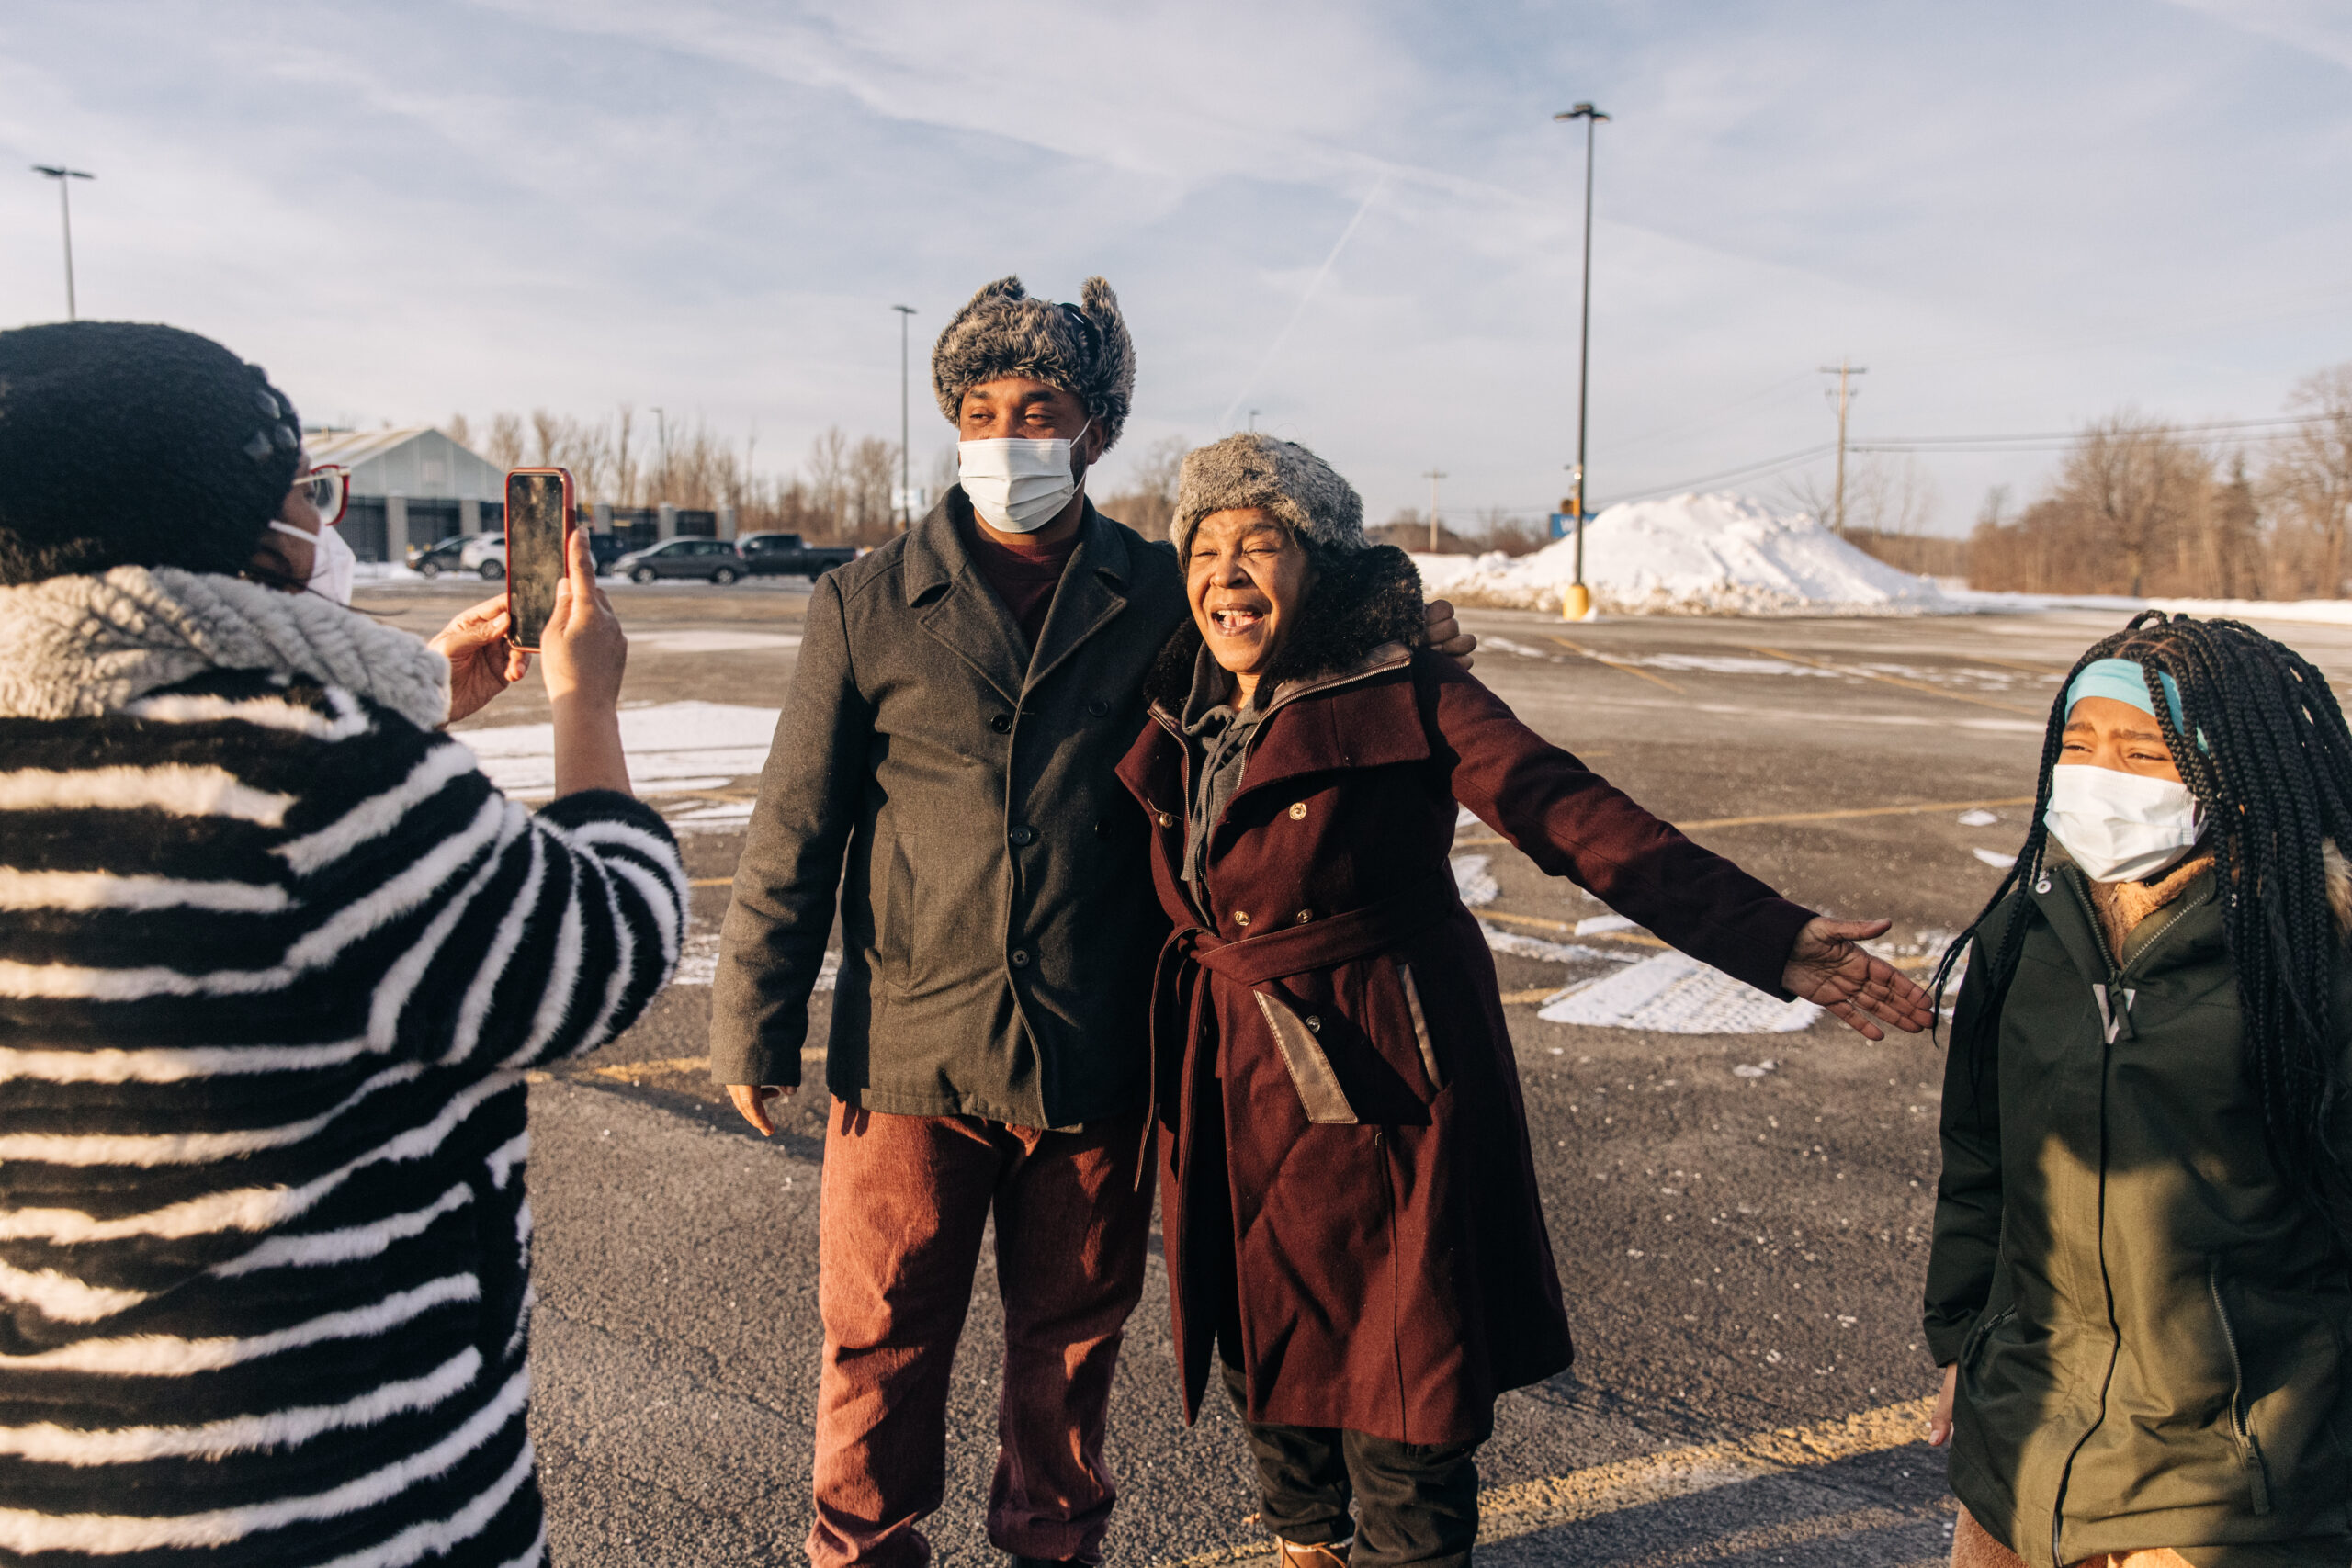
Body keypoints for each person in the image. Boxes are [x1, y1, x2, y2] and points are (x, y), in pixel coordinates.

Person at [710, 277, 1476, 1568]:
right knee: (878, 1336)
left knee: (1068, 1346)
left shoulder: (1161, 590)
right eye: (981, 409)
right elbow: (795, 826)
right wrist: (755, 1022)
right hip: (909, 1049)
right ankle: (865, 1543)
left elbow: (1280, 662)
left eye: (1040, 408)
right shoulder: (865, 600)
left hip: (1096, 1046)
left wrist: (1402, 635)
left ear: (1097, 430)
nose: (1008, 433)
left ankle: (1052, 1545)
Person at [1115, 433, 1933, 1568]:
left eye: (1260, 543)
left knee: (1404, 1368)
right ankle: (1304, 1543)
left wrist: (1771, 939)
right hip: (1230, 1065)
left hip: (1381, 1069)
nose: (1226, 570)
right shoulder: (1172, 699)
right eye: (1204, 547)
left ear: (1323, 566)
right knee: (1267, 1329)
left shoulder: (1408, 688)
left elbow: (1567, 810)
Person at [0, 321, 687, 1567]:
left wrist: (414, 699)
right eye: (305, 491)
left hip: (65, 1487)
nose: (324, 522)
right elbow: (600, 948)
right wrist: (584, 700)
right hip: (336, 1484)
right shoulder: (297, 769)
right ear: (240, 531)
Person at [1924, 614, 2352, 1568]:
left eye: (2141, 750)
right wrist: (1964, 1344)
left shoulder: (2310, 958)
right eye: (2078, 745)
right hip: (2021, 1454)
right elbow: (1982, 1164)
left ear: (2228, 772)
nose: (2097, 774)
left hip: (2223, 1491)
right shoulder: (2024, 935)